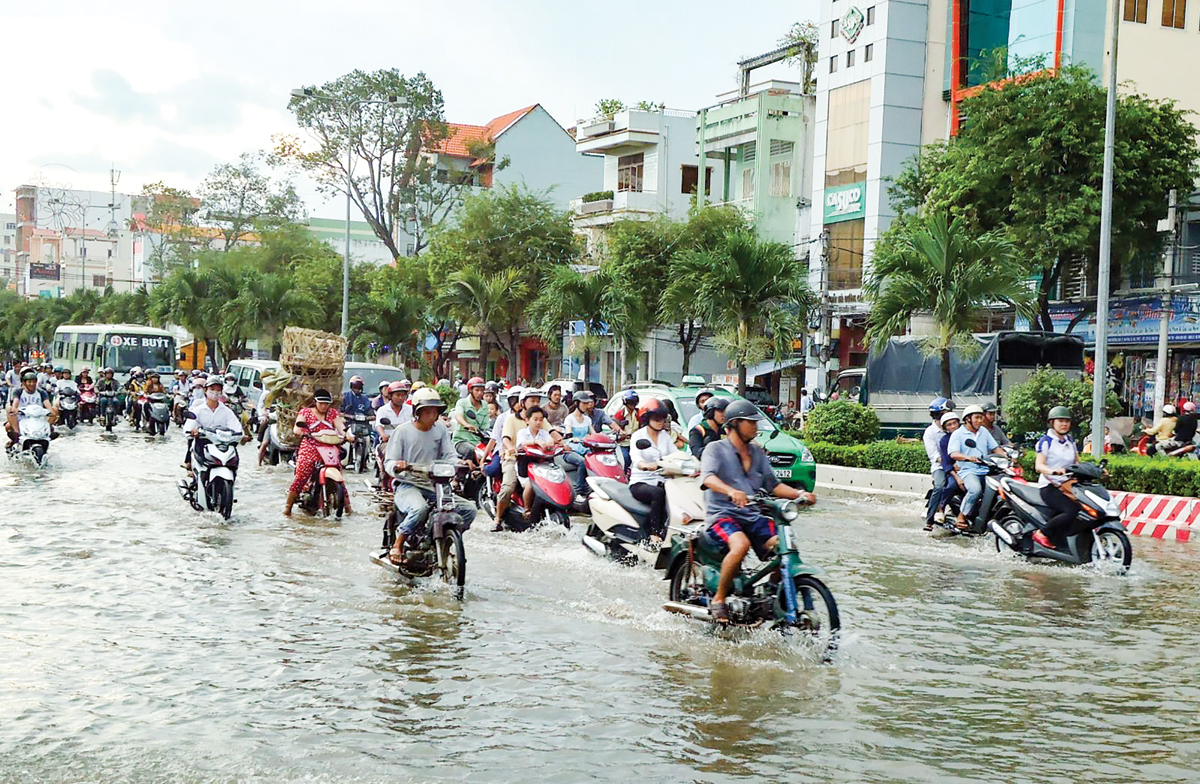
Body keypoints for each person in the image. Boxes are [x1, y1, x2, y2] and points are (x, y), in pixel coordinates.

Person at [701, 400, 814, 623]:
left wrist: (799, 495)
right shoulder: (715, 449)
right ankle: (719, 600)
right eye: (750, 422)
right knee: (740, 545)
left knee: (785, 545)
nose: (755, 427)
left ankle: (772, 594)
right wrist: (731, 491)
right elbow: (708, 477)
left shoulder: (757, 452)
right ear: (734, 424)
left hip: (751, 515)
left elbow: (773, 485)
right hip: (722, 515)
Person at [383, 387, 476, 564]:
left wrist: (460, 463)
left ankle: (445, 539)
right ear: (417, 412)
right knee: (419, 509)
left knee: (469, 509)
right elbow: (389, 462)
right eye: (427, 412)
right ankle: (399, 543)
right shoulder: (402, 431)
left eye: (435, 412)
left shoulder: (440, 430)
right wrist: (397, 465)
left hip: (435, 484)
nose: (431, 416)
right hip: (407, 483)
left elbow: (449, 455)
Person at [284, 389, 354, 516]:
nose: (324, 406)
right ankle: (288, 507)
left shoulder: (333, 413)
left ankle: (348, 508)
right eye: (321, 403)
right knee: (302, 475)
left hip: (330, 447)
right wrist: (300, 431)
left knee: (339, 474)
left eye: (326, 403)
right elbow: (297, 427)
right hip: (310, 445)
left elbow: (340, 427)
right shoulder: (305, 412)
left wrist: (347, 435)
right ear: (315, 402)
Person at [947, 404, 1007, 530]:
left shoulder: (983, 431)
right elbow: (953, 453)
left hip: (985, 470)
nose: (980, 421)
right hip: (968, 470)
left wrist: (1009, 457)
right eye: (977, 418)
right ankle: (961, 517)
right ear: (968, 419)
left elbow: (995, 448)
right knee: (975, 490)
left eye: (981, 418)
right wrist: (968, 458)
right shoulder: (958, 434)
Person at [627, 399, 678, 541]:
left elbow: (674, 454)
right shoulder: (638, 436)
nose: (660, 422)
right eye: (656, 419)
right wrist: (645, 465)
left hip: (663, 479)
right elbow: (635, 458)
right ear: (647, 419)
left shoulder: (665, 437)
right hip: (641, 481)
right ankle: (654, 533)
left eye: (662, 419)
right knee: (658, 494)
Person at [1033, 406, 1082, 549]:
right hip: (1050, 485)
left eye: (1067, 421)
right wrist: (1053, 471)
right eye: (1060, 421)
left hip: (1068, 485)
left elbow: (1077, 463)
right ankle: (1042, 533)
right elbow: (1039, 466)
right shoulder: (1046, 441)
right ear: (1051, 423)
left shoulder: (1070, 441)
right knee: (1071, 511)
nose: (1064, 424)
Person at [495, 387, 542, 530]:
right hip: (514, 459)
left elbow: (552, 433)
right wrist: (510, 447)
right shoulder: (510, 419)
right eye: (532, 400)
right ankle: (497, 518)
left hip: (536, 460)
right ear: (522, 403)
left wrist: (563, 443)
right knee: (508, 487)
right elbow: (506, 439)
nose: (536, 403)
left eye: (538, 401)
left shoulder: (539, 419)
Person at [182, 376, 245, 476]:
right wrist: (194, 431)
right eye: (212, 389)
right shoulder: (198, 410)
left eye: (218, 390)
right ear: (205, 390)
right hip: (203, 443)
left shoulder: (227, 411)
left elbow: (236, 427)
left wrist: (240, 435)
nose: (215, 392)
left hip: (223, 444)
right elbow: (188, 427)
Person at [515, 406, 555, 519]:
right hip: (524, 466)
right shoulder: (522, 433)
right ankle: (527, 509)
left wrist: (550, 443)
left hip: (541, 466)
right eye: (535, 419)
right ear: (527, 420)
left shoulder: (544, 433)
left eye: (541, 419)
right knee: (530, 485)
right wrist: (535, 441)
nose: (538, 422)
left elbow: (550, 441)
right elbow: (522, 444)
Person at [926, 411, 962, 530]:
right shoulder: (939, 437)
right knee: (942, 486)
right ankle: (932, 517)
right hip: (942, 467)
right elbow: (941, 459)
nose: (953, 426)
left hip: (965, 467)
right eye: (949, 424)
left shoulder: (966, 435)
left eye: (954, 423)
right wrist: (953, 467)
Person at [922, 397, 952, 530]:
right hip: (940, 467)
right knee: (940, 486)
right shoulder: (930, 433)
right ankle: (930, 519)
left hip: (958, 464)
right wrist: (949, 464)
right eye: (946, 412)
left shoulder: (952, 429)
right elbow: (935, 456)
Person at [6, 369, 57, 445]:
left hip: (38, 417)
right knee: (8, 425)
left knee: (55, 409)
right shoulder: (18, 391)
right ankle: (17, 434)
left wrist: (51, 411)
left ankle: (47, 431)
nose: (32, 384)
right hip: (22, 417)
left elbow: (47, 403)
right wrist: (14, 409)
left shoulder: (41, 392)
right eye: (29, 382)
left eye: (34, 382)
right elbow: (15, 402)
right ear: (24, 383)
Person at [451, 377, 489, 459]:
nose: (480, 393)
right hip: (462, 441)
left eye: (482, 390)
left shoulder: (485, 405)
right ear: (470, 390)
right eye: (477, 390)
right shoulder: (462, 402)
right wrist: (466, 424)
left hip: (478, 442)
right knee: (470, 451)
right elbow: (458, 415)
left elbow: (485, 427)